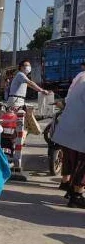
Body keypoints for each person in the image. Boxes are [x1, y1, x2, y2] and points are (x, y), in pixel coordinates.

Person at [52, 80, 85, 209]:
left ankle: (72, 192)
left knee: (74, 161)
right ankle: (76, 196)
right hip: (79, 131)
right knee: (82, 164)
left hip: (71, 129)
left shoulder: (81, 79)